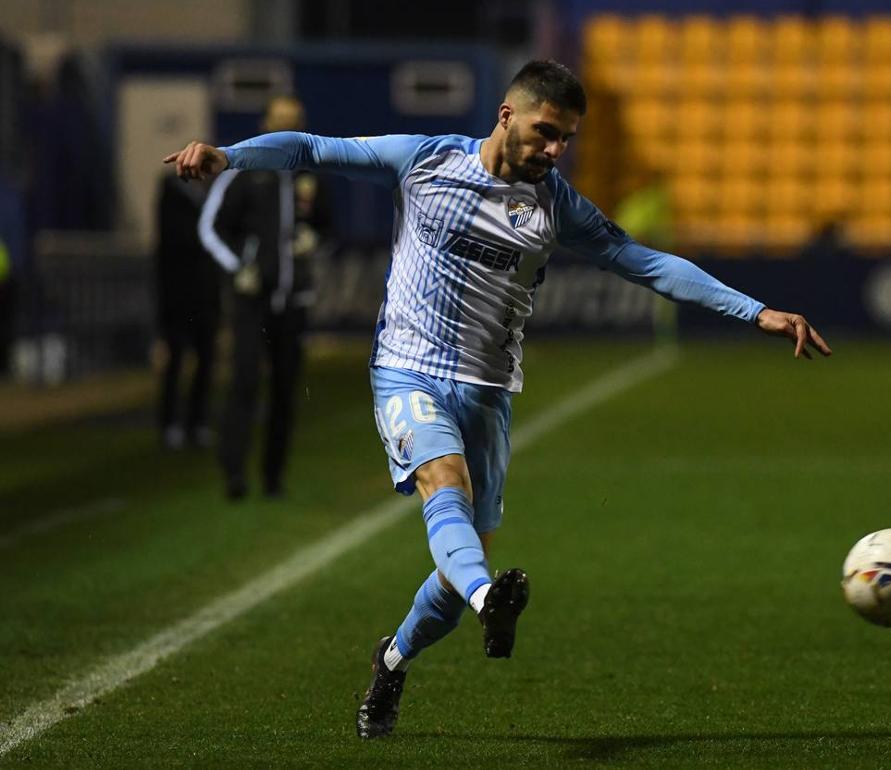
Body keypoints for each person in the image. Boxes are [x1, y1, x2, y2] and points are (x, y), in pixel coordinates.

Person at [164, 60, 831, 739]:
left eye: (565, 139)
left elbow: (647, 263)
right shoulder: (423, 162)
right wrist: (229, 157)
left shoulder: (556, 205)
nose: (554, 150)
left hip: (486, 396)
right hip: (407, 374)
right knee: (443, 487)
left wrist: (756, 312)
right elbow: (311, 149)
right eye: (546, 132)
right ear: (507, 116)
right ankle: (493, 601)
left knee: (451, 585)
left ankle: (393, 659)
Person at [197, 95, 333, 500]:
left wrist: (315, 242)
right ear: (264, 125)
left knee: (285, 390)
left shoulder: (312, 174)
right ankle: (234, 475)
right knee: (243, 381)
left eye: (294, 123)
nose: (286, 130)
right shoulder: (242, 170)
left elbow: (328, 229)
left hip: (294, 302)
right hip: (251, 301)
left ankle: (274, 477)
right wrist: (241, 266)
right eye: (280, 123)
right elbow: (211, 228)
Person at [154, 170, 220, 449]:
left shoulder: (208, 198)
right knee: (176, 360)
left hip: (205, 296)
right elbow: (179, 241)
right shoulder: (174, 196)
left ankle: (197, 422)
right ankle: (171, 423)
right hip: (179, 295)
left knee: (205, 360)